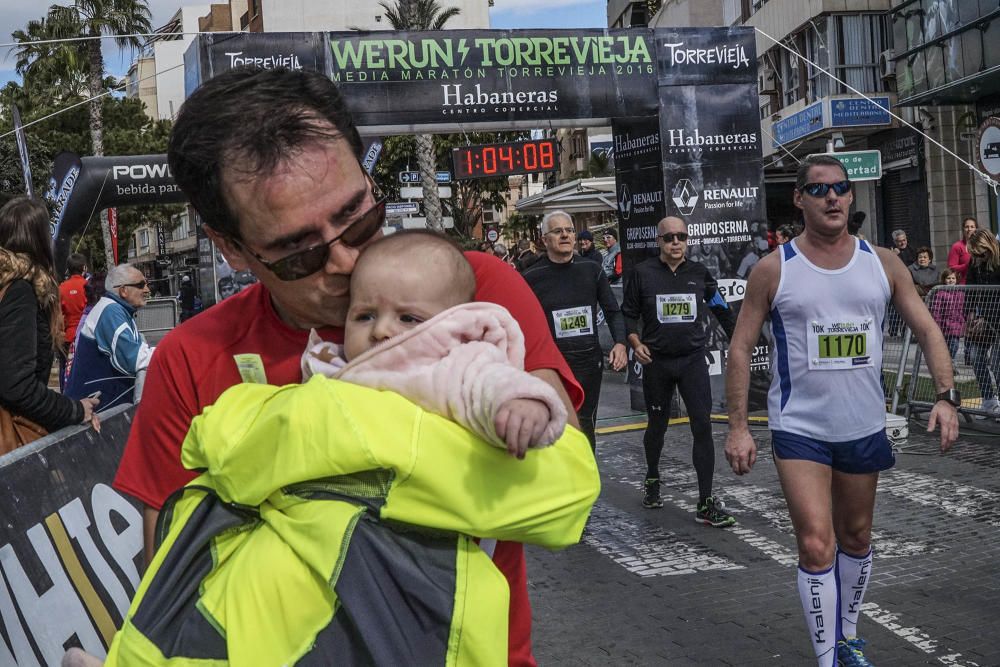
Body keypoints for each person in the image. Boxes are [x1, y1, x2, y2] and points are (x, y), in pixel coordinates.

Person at [111, 66, 582, 667]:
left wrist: (288, 444)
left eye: (359, 217)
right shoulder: (192, 357)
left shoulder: (466, 295)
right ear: (231, 247)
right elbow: (173, 567)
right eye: (298, 250)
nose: (346, 259)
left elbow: (560, 485)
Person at [724, 155, 959, 667]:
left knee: (856, 537)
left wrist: (945, 397)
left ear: (852, 197)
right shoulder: (774, 268)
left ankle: (847, 635)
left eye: (840, 188)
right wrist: (739, 427)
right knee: (816, 544)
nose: (831, 197)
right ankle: (828, 657)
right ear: (799, 199)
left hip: (862, 425)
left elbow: (927, 328)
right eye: (818, 189)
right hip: (799, 427)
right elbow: (740, 348)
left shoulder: (882, 262)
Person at [303, 230, 568, 458]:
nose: (381, 330)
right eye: (365, 316)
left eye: (408, 318)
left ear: (453, 324)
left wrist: (522, 405)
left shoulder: (459, 364)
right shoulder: (329, 363)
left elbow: (495, 382)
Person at [621, 216, 738, 526]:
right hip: (657, 361)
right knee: (657, 425)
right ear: (659, 241)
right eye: (669, 237)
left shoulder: (699, 274)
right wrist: (634, 341)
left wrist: (741, 340)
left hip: (692, 360)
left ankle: (705, 501)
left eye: (681, 237)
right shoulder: (643, 274)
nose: (676, 242)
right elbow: (628, 314)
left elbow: (721, 310)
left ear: (688, 241)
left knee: (702, 425)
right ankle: (652, 477)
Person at [0, 196, 99, 453]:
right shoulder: (19, 291)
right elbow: (16, 386)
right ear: (40, 239)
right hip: (10, 436)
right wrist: (74, 410)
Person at [523, 211, 628, 450]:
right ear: (545, 239)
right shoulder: (531, 277)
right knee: (555, 425)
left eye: (569, 230)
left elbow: (612, 310)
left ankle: (588, 482)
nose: (565, 235)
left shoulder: (591, 269)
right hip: (552, 364)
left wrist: (620, 343)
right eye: (557, 231)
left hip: (588, 361)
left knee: (585, 424)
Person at [64, 264, 154, 411]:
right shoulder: (110, 311)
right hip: (95, 410)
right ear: (123, 290)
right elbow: (133, 358)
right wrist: (171, 352)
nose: (147, 290)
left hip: (102, 406)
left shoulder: (116, 309)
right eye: (141, 285)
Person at [964, 229, 1000, 417]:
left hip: (995, 318)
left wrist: (987, 318)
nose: (979, 257)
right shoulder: (975, 263)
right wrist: (969, 316)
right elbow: (970, 290)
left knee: (996, 362)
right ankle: (988, 400)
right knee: (976, 356)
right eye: (975, 254)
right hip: (984, 318)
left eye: (981, 253)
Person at [58, 253, 89, 389]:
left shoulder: (61, 288)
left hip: (67, 337)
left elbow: (58, 315)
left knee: (65, 368)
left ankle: (65, 396)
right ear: (84, 267)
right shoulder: (89, 286)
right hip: (85, 336)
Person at [929, 268, 964, 361]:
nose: (951, 280)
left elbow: (962, 310)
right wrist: (937, 323)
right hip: (943, 325)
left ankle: (951, 361)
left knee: (954, 345)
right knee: (944, 347)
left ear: (956, 280)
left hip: (955, 325)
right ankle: (945, 362)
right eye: (948, 278)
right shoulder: (940, 293)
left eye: (953, 278)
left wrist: (962, 323)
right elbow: (936, 309)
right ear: (944, 280)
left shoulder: (960, 293)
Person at [947, 216, 978, 284]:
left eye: (972, 227)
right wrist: (967, 265)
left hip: (980, 285)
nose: (969, 229)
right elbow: (951, 268)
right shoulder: (957, 246)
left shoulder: (981, 246)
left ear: (976, 229)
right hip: (963, 286)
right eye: (966, 227)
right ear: (963, 229)